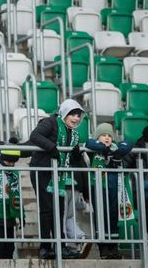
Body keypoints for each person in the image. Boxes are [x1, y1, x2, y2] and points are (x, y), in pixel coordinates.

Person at [19, 98, 84, 260]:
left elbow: (73, 160)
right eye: (73, 114)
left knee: (59, 210)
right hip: (43, 171)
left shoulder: (74, 134)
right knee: (47, 209)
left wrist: (76, 155)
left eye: (78, 115)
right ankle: (45, 247)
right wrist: (52, 148)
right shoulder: (51, 122)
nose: (76, 118)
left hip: (59, 175)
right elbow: (35, 135)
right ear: (64, 113)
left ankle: (60, 246)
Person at [85, 123, 133, 259]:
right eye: (103, 135)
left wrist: (117, 152)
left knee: (114, 216)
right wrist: (104, 149)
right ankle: (103, 247)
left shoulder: (116, 148)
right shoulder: (93, 148)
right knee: (101, 216)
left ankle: (114, 247)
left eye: (109, 136)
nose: (107, 138)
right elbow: (89, 142)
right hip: (99, 187)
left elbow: (128, 143)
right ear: (97, 137)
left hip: (115, 188)